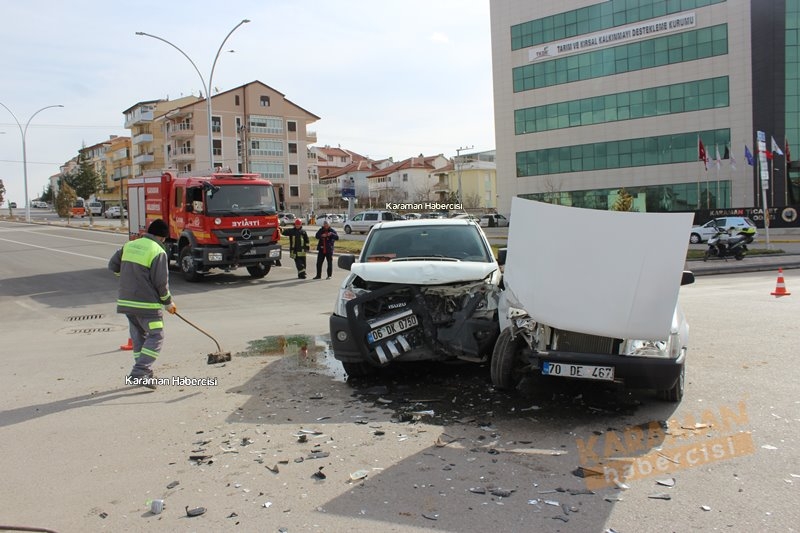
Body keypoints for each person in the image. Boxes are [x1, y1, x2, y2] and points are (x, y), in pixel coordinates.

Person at [108, 218, 176, 390]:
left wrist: (125, 279)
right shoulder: (157, 251)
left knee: (139, 338)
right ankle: (140, 371)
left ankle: (144, 375)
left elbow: (113, 266)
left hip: (126, 302)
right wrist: (168, 303)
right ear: (162, 237)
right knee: (156, 336)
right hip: (147, 305)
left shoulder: (129, 245)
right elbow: (161, 283)